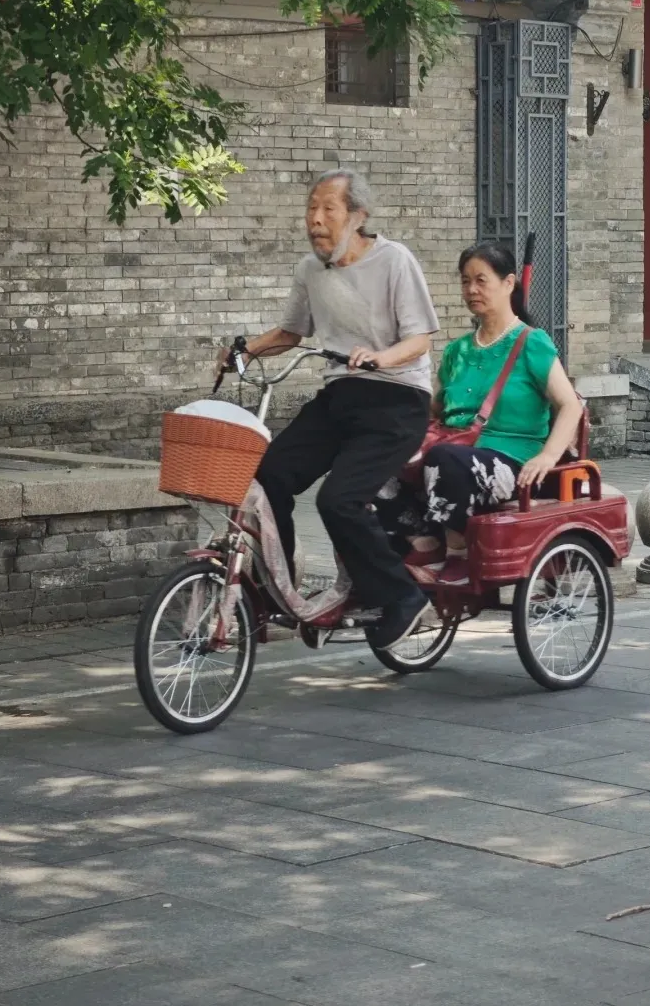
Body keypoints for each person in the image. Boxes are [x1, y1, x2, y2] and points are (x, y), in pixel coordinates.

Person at [218, 169, 439, 649]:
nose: (315, 220)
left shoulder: (394, 260)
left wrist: (381, 356)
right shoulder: (309, 270)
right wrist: (244, 352)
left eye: (328, 210)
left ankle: (401, 597)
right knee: (268, 476)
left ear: (357, 216)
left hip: (397, 397)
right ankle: (279, 592)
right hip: (341, 395)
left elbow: (420, 337)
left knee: (337, 500)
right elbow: (291, 332)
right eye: (310, 210)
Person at [376, 241, 585, 583]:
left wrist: (548, 456)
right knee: (373, 458)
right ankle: (422, 542)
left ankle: (457, 554)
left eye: (481, 280)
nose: (471, 289)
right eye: (465, 281)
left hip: (511, 460)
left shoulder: (531, 342)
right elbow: (437, 408)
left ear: (508, 283)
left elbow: (570, 405)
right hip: (454, 449)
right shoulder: (457, 350)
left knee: (444, 460)